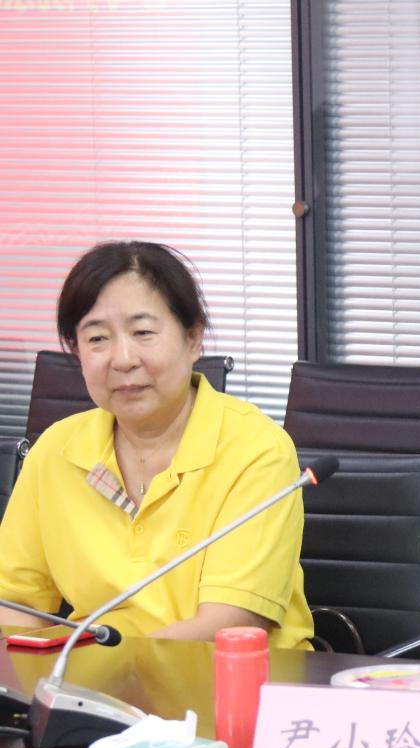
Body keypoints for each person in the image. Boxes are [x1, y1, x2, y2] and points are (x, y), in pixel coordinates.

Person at [0, 241, 313, 649]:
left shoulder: (255, 450)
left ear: (193, 338)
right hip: (90, 680)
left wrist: (100, 672)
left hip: (233, 679)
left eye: (143, 332)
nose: (122, 359)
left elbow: (228, 623)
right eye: (97, 339)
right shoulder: (56, 451)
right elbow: (15, 604)